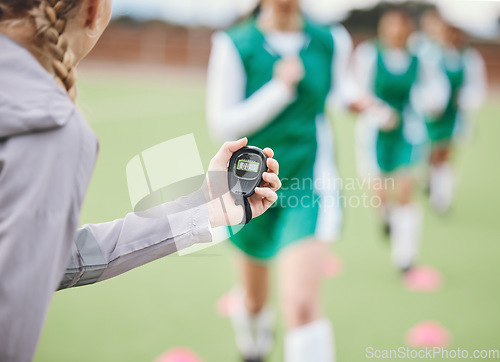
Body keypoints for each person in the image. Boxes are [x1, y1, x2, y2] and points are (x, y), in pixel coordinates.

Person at [0, 0, 281, 361]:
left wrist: (204, 206)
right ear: (94, 11)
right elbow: (17, 295)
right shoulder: (50, 126)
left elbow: (48, 258)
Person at [206, 0, 355, 361]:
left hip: (309, 183)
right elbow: (222, 125)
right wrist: (279, 89)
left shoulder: (331, 39)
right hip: (249, 186)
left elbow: (339, 89)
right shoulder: (234, 44)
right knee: (255, 302)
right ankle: (254, 342)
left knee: (302, 306)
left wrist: (362, 102)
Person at [352, 10, 449, 272]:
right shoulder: (369, 55)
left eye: (400, 27)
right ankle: (385, 217)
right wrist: (379, 114)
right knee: (380, 194)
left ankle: (405, 258)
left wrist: (433, 103)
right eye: (390, 27)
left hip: (408, 132)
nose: (395, 32)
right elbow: (358, 92)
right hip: (375, 133)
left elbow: (436, 88)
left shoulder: (420, 59)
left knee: (405, 190)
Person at [424, 23, 487, 213]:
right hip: (433, 115)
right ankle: (433, 181)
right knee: (432, 154)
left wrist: (466, 99)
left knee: (446, 154)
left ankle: (442, 197)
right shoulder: (431, 55)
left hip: (455, 115)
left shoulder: (469, 58)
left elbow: (476, 87)